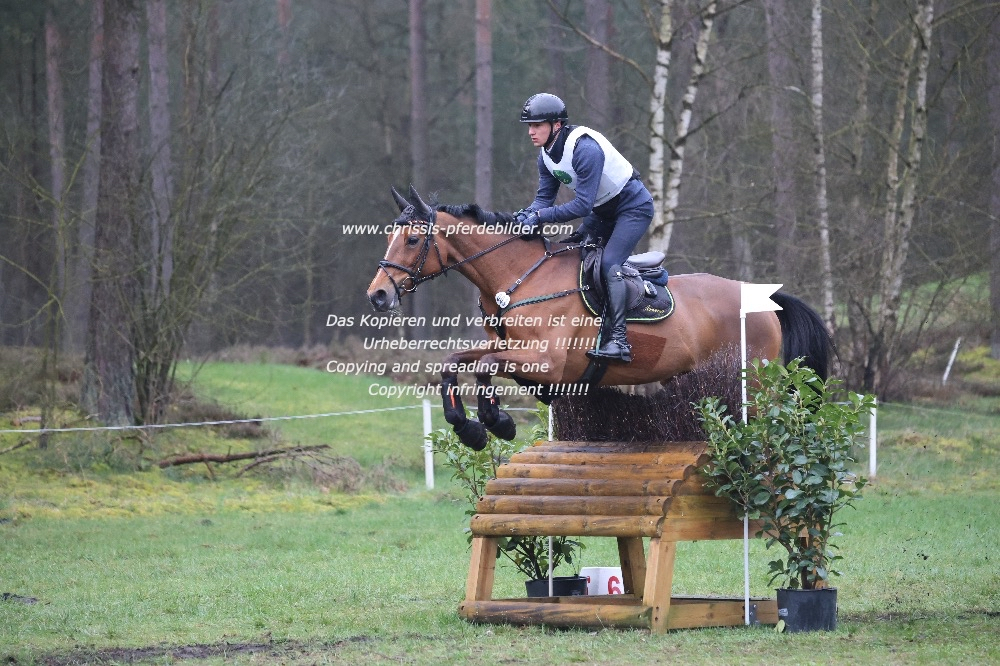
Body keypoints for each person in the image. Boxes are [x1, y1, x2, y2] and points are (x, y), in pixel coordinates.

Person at [514, 92, 654, 363]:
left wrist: (540, 216)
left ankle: (620, 342)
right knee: (568, 254)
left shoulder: (584, 149)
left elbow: (581, 207)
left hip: (632, 207)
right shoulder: (545, 156)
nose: (531, 132)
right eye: (529, 126)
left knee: (608, 264)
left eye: (537, 125)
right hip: (604, 211)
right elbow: (543, 198)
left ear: (556, 125)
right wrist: (527, 215)